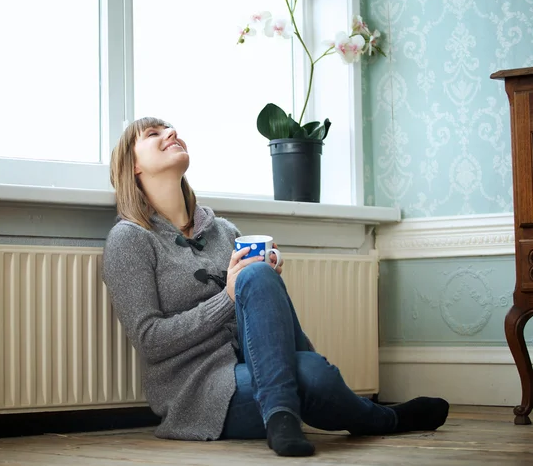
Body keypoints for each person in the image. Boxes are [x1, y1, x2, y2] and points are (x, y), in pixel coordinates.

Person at [102, 117, 449, 457]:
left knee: (259, 279)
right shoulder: (129, 239)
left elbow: (254, 311)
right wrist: (228, 297)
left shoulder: (224, 231)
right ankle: (378, 418)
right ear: (132, 165)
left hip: (262, 366)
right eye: (153, 133)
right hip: (201, 392)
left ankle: (284, 417)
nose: (172, 133)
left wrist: (265, 280)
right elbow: (150, 340)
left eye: (171, 128)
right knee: (314, 374)